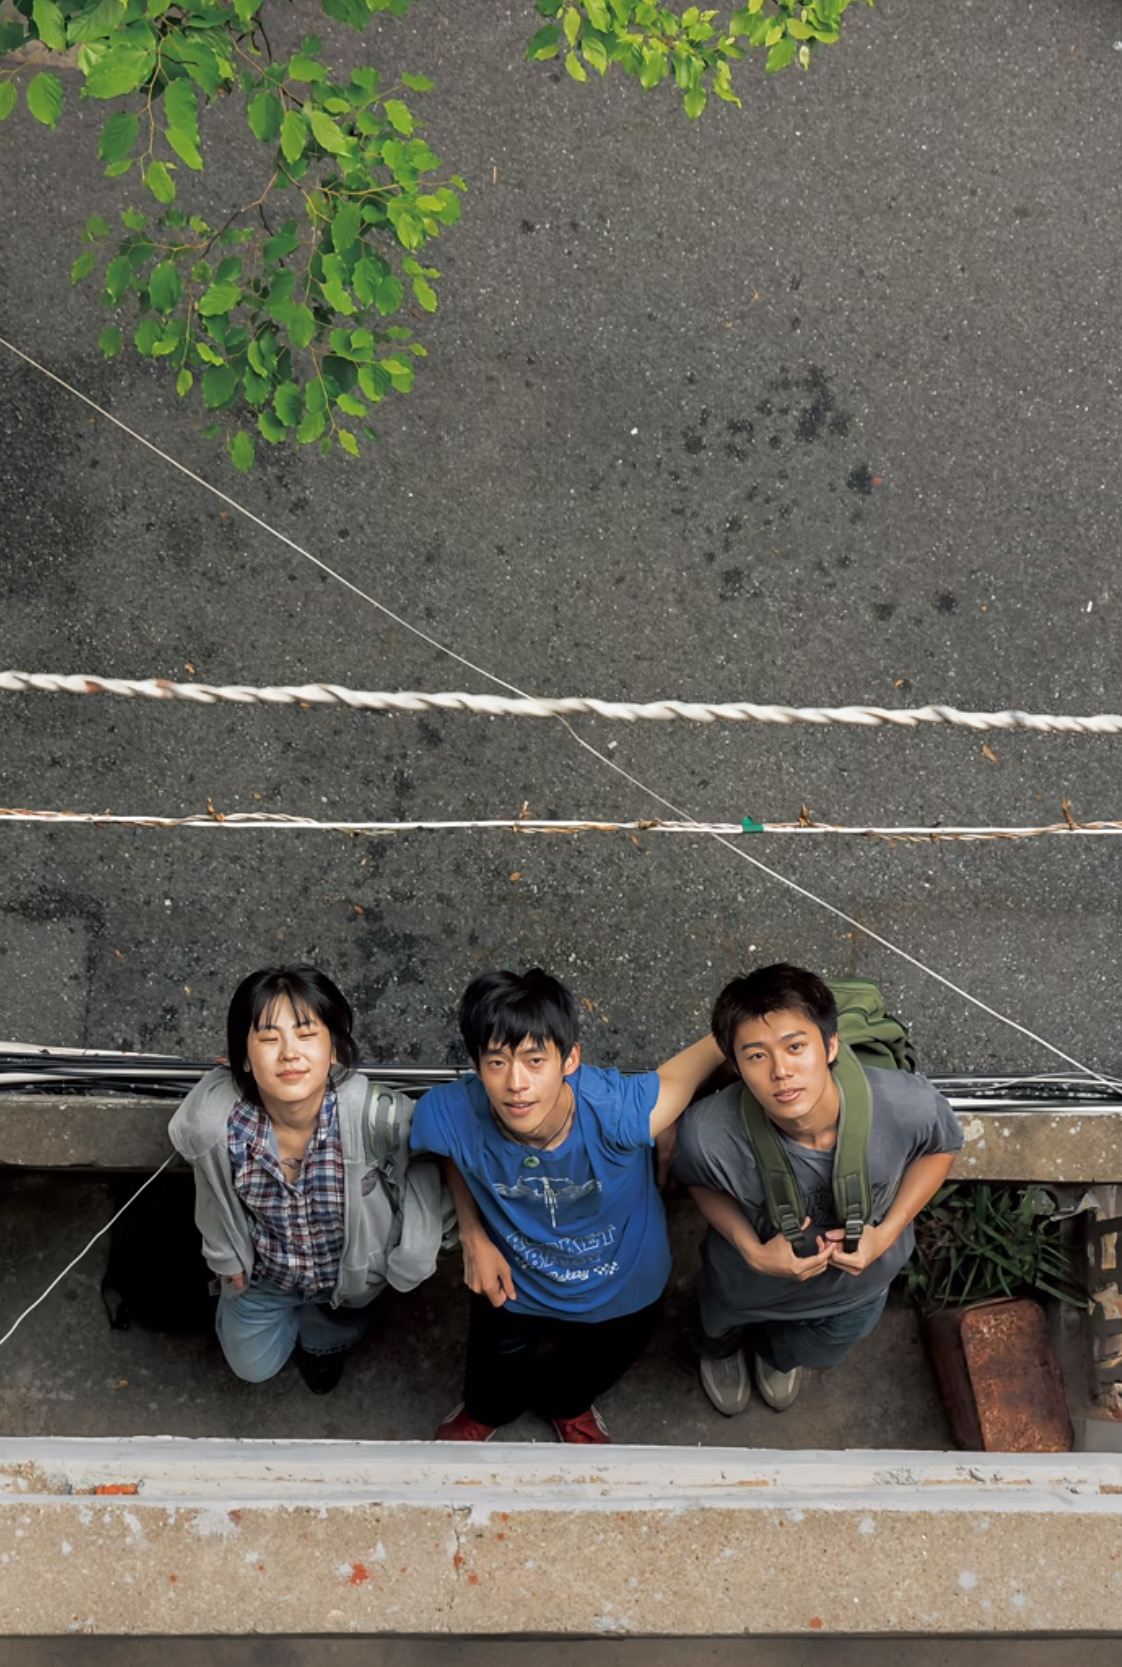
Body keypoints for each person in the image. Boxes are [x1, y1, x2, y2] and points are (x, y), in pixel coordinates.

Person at [410, 966, 724, 1444]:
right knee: (492, 1369)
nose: (516, 1083)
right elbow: (447, 1150)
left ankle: (570, 1408)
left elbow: (715, 1047)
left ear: (570, 1058)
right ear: (476, 1067)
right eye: (496, 1062)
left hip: (623, 1287)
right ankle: (486, 1412)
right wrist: (472, 1235)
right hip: (514, 1283)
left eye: (535, 1060)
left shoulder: (621, 1110)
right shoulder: (447, 1112)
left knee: (592, 1368)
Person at [672, 963, 963, 1416]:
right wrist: (751, 1250)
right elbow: (698, 1179)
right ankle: (723, 1351)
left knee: (814, 1349)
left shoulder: (906, 1103)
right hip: (747, 1283)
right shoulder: (708, 1133)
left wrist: (886, 1234)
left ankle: (778, 1356)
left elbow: (941, 1148)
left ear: (830, 1046)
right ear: (737, 1066)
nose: (781, 1071)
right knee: (715, 1331)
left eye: (795, 1047)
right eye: (756, 1056)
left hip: (858, 1289)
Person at [169, 963, 444, 1392]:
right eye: (268, 1038)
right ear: (244, 1057)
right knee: (252, 1366)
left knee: (335, 1328)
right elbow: (211, 1189)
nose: (289, 1053)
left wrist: (414, 1254)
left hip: (351, 1277)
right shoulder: (220, 1129)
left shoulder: (376, 1117)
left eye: (306, 1033)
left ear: (333, 1049)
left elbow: (430, 1160)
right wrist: (224, 1256)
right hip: (267, 1276)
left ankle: (320, 1349)